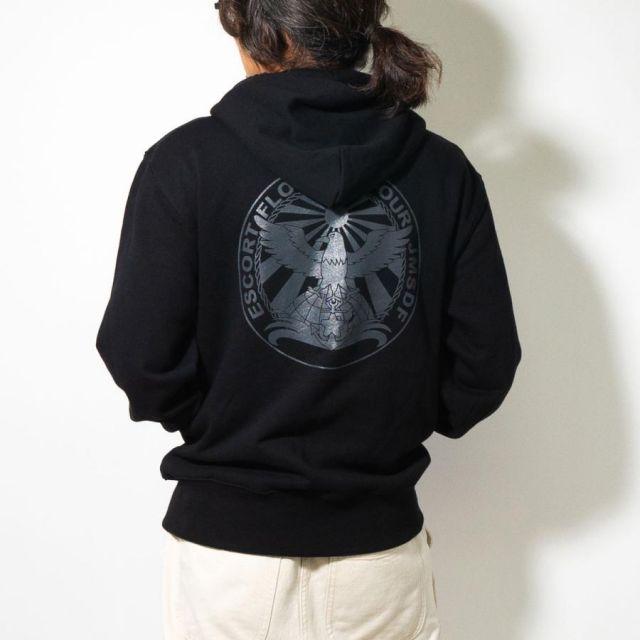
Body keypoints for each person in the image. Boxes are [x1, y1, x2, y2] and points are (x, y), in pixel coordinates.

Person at [96, 1, 521, 638]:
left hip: (229, 561)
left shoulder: (184, 162)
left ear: (254, 31)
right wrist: (387, 424)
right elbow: (484, 363)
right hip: (378, 556)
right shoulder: (443, 171)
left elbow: (139, 352)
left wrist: (226, 432)